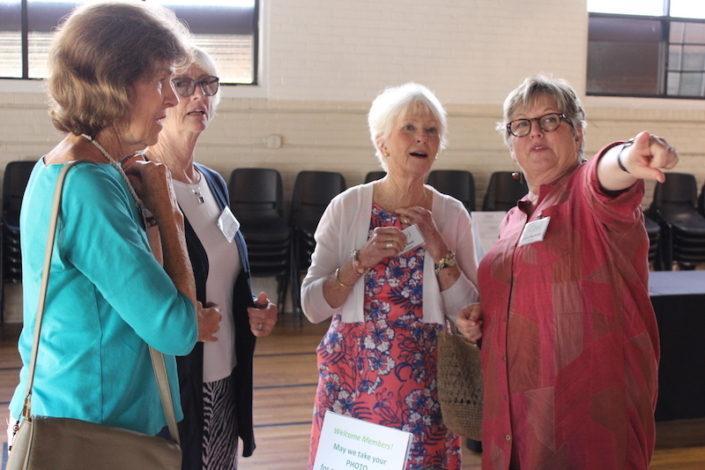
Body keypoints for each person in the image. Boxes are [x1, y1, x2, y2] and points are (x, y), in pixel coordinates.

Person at [7, 0, 222, 449]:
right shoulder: (88, 186)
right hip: (91, 430)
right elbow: (177, 331)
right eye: (161, 80)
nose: (172, 97)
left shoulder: (85, 168)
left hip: (93, 416)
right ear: (114, 84)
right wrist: (168, 211)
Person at [458, 74, 678, 469]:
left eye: (550, 120)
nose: (535, 132)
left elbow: (606, 176)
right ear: (511, 147)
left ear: (577, 133)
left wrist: (629, 156)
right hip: (509, 421)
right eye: (521, 125)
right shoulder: (514, 218)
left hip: (581, 422)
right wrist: (480, 321)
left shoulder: (587, 194)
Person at [301, 82, 480, 470]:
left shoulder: (451, 215)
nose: (422, 138)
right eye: (410, 128)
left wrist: (438, 246)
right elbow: (312, 305)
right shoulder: (346, 207)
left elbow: (470, 311)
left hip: (426, 384)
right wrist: (358, 261)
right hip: (352, 378)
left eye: (432, 130)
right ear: (382, 143)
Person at [145, 47, 278, 470]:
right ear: (160, 95)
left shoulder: (213, 182)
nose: (199, 96)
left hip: (225, 371)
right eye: (183, 84)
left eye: (208, 85)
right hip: (175, 384)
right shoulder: (141, 183)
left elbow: (227, 271)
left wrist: (253, 312)